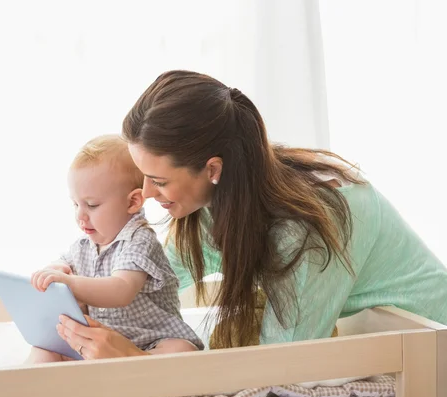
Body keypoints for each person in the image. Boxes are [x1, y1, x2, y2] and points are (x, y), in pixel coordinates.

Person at [56, 70, 447, 356]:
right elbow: (152, 277)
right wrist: (81, 288)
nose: (144, 193)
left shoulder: (306, 226)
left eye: (158, 180)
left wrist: (131, 358)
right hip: (378, 336)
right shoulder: (215, 203)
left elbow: (283, 359)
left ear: (212, 169)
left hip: (428, 344)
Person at [25, 134, 203, 363]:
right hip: (98, 344)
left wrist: (69, 282)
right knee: (44, 348)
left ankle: (140, 368)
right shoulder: (83, 245)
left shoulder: (140, 239)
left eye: (92, 205)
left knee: (182, 350)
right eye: (75, 204)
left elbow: (120, 290)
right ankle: (21, 385)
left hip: (151, 341)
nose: (80, 215)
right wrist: (57, 269)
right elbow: (64, 264)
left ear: (132, 202)